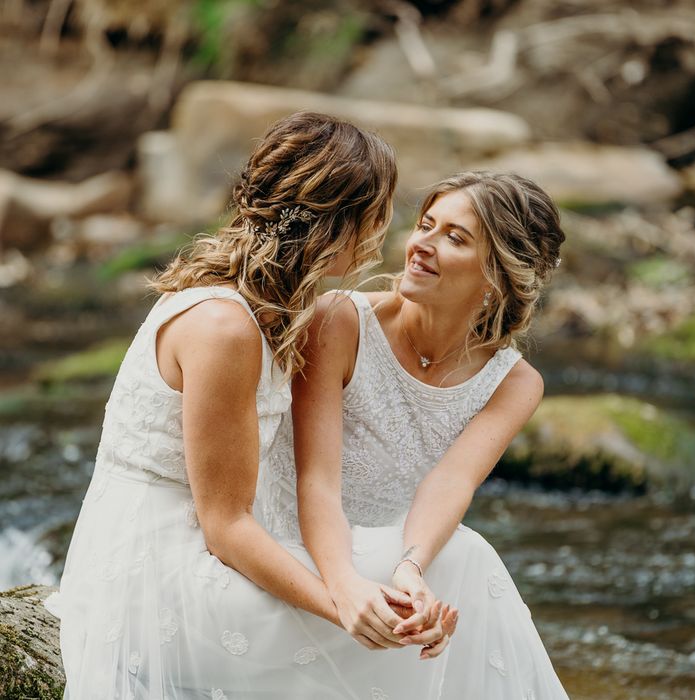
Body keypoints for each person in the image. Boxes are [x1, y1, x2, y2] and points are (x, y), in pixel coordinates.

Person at [46, 111, 452, 700]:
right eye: (379, 212)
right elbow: (225, 526)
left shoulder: (269, 305)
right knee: (405, 605)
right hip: (157, 578)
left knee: (446, 562)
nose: (385, 231)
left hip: (183, 547)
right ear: (341, 224)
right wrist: (342, 606)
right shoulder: (224, 327)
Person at [259, 171, 570, 698]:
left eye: (455, 237)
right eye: (426, 224)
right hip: (295, 558)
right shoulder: (338, 321)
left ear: (498, 276)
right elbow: (316, 482)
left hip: (384, 568)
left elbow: (451, 483)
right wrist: (344, 585)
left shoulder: (515, 383)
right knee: (469, 558)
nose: (421, 245)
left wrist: (411, 571)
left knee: (452, 573)